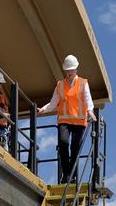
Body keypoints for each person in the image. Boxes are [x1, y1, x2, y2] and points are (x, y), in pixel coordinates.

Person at [37, 53, 94, 182]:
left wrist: (90, 111)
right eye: (67, 70)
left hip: (79, 121)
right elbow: (53, 102)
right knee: (63, 144)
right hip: (64, 120)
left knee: (75, 147)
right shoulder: (60, 85)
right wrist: (43, 109)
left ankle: (70, 175)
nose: (69, 72)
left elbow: (87, 99)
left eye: (71, 70)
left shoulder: (83, 83)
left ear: (76, 69)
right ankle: (66, 173)